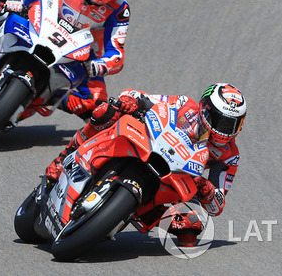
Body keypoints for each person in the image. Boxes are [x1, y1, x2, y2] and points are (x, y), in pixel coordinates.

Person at [43, 83, 246, 247]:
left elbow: (217, 206)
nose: (224, 131)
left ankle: (132, 213)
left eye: (232, 125)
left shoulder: (229, 156)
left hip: (175, 181)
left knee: (193, 224)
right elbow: (142, 97)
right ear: (205, 110)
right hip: (151, 146)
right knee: (105, 111)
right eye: (220, 121)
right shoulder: (184, 105)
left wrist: (206, 188)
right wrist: (130, 101)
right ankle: (65, 156)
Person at [0, 0, 129, 118]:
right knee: (1, 16)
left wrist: (101, 64)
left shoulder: (120, 9)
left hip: (80, 55)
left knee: (95, 102)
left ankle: (50, 97)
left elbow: (117, 54)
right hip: (44, 26)